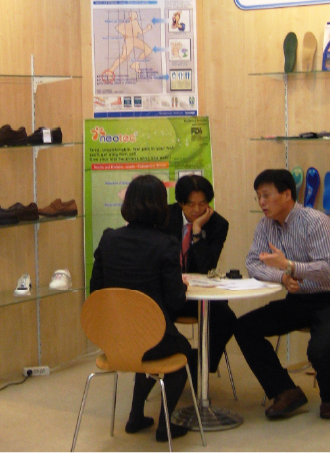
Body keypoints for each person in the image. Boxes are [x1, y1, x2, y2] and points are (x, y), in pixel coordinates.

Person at [234, 169, 330, 420]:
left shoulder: (316, 222)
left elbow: (328, 269)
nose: (261, 202)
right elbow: (252, 264)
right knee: (244, 327)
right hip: (300, 299)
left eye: (266, 195)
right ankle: (285, 391)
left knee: (318, 350)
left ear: (286, 195)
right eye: (258, 197)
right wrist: (282, 277)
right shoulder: (265, 225)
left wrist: (290, 267)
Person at [90, 174, 195, 442]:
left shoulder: (108, 239)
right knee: (182, 350)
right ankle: (165, 425)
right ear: (161, 207)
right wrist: (181, 286)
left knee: (143, 343)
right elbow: (175, 301)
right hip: (151, 337)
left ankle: (136, 416)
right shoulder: (166, 244)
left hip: (112, 338)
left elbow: (96, 291)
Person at [161, 174, 236, 374]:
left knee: (226, 317)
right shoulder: (164, 217)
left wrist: (197, 231)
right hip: (170, 293)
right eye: (190, 204)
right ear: (180, 203)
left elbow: (206, 267)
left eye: (202, 204)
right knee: (154, 313)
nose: (196, 210)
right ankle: (170, 363)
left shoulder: (218, 224)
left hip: (200, 296)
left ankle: (201, 366)